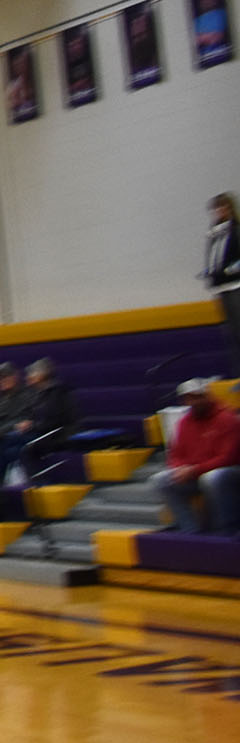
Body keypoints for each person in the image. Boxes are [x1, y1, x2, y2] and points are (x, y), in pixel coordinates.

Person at [154, 378, 240, 535]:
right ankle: (189, 529)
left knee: (212, 478)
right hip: (196, 472)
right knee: (161, 480)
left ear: (207, 396)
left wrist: (194, 470)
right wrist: (179, 469)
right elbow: (175, 453)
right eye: (190, 398)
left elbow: (228, 457)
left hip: (229, 472)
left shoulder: (226, 419)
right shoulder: (184, 423)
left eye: (198, 396)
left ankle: (225, 529)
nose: (194, 401)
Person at [9, 359, 81, 481]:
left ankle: (39, 484)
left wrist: (31, 426)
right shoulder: (40, 393)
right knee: (10, 446)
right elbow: (35, 415)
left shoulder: (56, 392)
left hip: (60, 433)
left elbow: (53, 421)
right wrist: (28, 423)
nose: (28, 377)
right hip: (44, 430)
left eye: (31, 374)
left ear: (41, 375)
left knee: (25, 449)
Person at [206, 193, 240, 363]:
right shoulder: (214, 234)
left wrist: (230, 270)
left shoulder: (236, 230)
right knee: (231, 332)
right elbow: (214, 257)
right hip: (222, 287)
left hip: (236, 286)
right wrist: (210, 271)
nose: (219, 211)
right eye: (216, 208)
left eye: (222, 207)